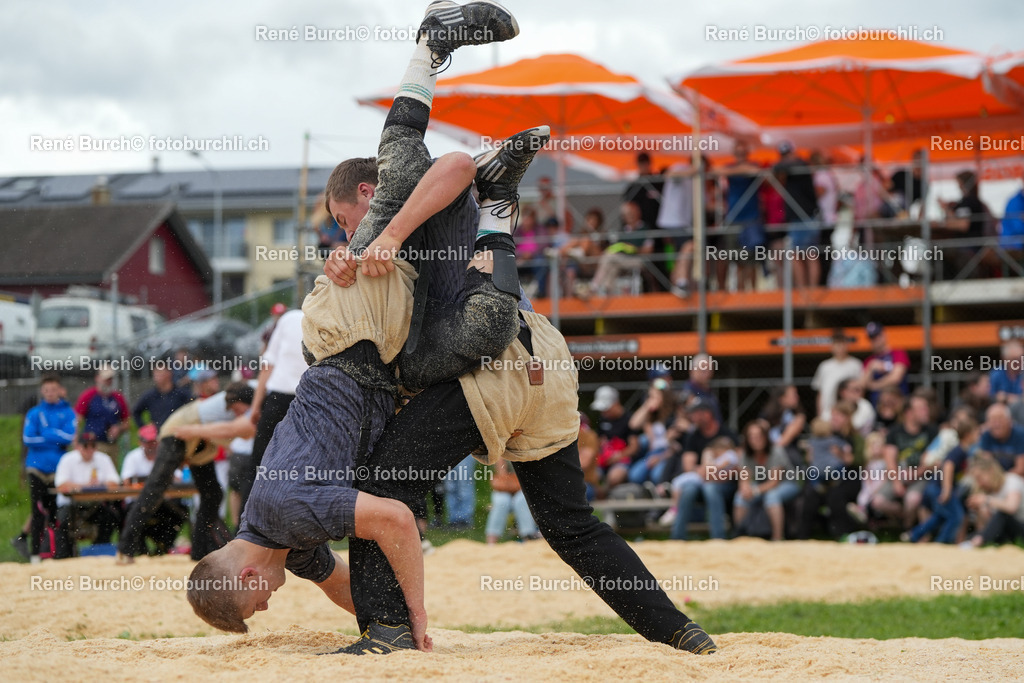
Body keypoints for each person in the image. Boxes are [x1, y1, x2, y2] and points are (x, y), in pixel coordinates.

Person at [118, 382, 256, 563]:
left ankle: (199, 551)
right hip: (178, 431)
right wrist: (193, 434)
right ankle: (125, 548)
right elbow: (240, 432)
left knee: (213, 494)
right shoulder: (247, 399)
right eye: (237, 410)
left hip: (198, 439)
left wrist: (196, 433)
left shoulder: (251, 398)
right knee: (154, 489)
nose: (238, 413)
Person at [242, 308, 306, 511]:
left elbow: (268, 365)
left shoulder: (288, 319)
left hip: (279, 399)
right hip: (309, 400)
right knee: (300, 468)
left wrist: (255, 407)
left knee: (259, 465)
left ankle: (246, 527)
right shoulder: (324, 318)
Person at [22, 374, 76, 563]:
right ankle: (35, 553)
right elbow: (28, 439)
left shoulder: (68, 412)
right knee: (37, 512)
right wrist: (54, 438)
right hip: (36, 468)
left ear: (60, 390)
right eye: (46, 390)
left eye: (54, 390)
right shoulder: (35, 413)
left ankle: (53, 552)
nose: (50, 393)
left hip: (57, 469)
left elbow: (69, 437)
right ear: (42, 392)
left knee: (55, 512)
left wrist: (47, 434)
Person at [667, 399, 738, 540]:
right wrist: (707, 472)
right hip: (702, 479)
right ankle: (677, 537)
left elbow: (738, 465)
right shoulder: (694, 436)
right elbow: (688, 466)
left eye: (695, 413)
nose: (692, 417)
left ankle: (718, 537)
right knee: (688, 489)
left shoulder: (727, 434)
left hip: (724, 482)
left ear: (707, 414)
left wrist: (711, 474)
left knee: (710, 488)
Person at [871, 389, 938, 529]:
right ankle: (901, 520)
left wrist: (917, 473)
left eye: (926, 408)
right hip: (899, 473)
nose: (926, 411)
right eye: (921, 409)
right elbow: (890, 460)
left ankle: (908, 531)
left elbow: (937, 461)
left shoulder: (932, 432)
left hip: (921, 476)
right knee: (878, 502)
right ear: (909, 413)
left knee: (912, 499)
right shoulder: (895, 432)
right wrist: (896, 482)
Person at [905, 415, 977, 544]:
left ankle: (914, 535)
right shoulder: (959, 450)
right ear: (968, 434)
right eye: (976, 432)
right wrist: (947, 490)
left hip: (936, 486)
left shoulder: (965, 451)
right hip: (939, 487)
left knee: (940, 516)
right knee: (956, 516)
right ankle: (942, 542)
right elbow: (948, 466)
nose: (978, 436)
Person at [120, 424, 187, 555]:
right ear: (141, 442)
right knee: (134, 514)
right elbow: (126, 482)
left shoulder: (165, 455)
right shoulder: (133, 457)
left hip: (161, 502)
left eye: (153, 442)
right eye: (148, 442)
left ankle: (163, 548)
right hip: (138, 501)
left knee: (179, 513)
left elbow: (178, 480)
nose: (151, 445)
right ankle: (140, 550)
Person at [53, 432, 122, 559]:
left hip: (95, 504)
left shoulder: (103, 459)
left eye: (93, 446)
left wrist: (98, 484)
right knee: (64, 522)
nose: (89, 450)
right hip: (71, 505)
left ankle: (99, 552)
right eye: (86, 446)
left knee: (110, 517)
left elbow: (115, 483)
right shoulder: (67, 460)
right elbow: (61, 485)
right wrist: (85, 486)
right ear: (78, 446)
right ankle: (64, 557)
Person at [733, 422, 801, 541]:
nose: (756, 440)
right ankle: (740, 536)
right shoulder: (745, 454)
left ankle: (777, 538)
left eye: (759, 436)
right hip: (762, 485)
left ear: (765, 437)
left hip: (787, 483)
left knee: (772, 496)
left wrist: (753, 491)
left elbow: (774, 481)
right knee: (740, 496)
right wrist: (745, 489)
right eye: (752, 437)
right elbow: (744, 478)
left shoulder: (776, 451)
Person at [773, 141, 820, 289]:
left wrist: (783, 163)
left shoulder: (800, 165)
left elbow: (778, 167)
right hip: (801, 216)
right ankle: (806, 291)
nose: (786, 158)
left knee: (803, 255)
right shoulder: (795, 168)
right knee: (803, 255)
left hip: (805, 216)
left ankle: (807, 292)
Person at [587, 200, 655, 296]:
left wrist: (633, 249)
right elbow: (616, 246)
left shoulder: (645, 229)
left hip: (638, 260)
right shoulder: (622, 231)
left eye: (631, 214)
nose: (629, 217)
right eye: (626, 215)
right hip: (622, 259)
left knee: (609, 258)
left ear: (638, 213)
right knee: (611, 264)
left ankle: (594, 286)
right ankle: (606, 293)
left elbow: (648, 251)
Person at [961, 452, 1024, 547]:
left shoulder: (1012, 481)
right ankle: (976, 542)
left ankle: (978, 542)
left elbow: (1011, 507)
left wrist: (987, 500)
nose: (979, 483)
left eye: (980, 478)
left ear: (991, 471)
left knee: (1003, 514)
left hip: (1020, 527)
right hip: (1006, 533)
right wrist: (980, 509)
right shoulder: (989, 492)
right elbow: (986, 527)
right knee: (971, 537)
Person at [626, 379, 677, 485]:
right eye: (650, 396)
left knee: (657, 475)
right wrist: (647, 406)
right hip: (652, 453)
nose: (651, 399)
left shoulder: (673, 417)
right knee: (634, 476)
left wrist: (659, 458)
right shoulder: (651, 416)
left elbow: (675, 448)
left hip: (667, 454)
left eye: (654, 396)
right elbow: (633, 424)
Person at [75, 366, 130, 460]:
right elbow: (77, 420)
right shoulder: (88, 396)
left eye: (110, 379)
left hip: (112, 444)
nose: (108, 382)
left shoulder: (118, 398)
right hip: (92, 445)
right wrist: (76, 442)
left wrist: (118, 429)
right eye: (105, 379)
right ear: (97, 378)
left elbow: (127, 423)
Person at [485, 458, 539, 544]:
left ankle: (528, 538)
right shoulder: (503, 450)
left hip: (525, 487)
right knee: (501, 501)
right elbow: (502, 475)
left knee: (521, 500)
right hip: (508, 486)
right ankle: (491, 542)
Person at [812, 330, 863, 418]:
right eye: (836, 343)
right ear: (832, 346)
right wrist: (820, 414)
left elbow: (860, 390)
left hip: (849, 413)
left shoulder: (856, 365)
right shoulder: (824, 366)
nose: (839, 347)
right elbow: (820, 393)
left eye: (842, 343)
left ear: (847, 345)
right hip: (828, 412)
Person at [861, 322, 910, 406]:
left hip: (899, 403)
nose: (875, 341)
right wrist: (870, 369)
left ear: (884, 335)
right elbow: (863, 384)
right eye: (872, 338)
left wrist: (874, 386)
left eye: (878, 336)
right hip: (876, 404)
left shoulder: (898, 353)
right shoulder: (869, 361)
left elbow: (896, 378)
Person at [132, 366, 194, 431]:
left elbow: (193, 409)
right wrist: (145, 428)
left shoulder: (181, 394)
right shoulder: (150, 395)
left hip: (176, 434)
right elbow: (136, 412)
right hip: (157, 437)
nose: (157, 376)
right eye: (155, 373)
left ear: (169, 373)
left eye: (160, 372)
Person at [978, 402, 1024, 474]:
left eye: (1000, 419)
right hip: (995, 476)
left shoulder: (1020, 434)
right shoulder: (986, 435)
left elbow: (1021, 469)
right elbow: (986, 463)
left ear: (1009, 420)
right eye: (993, 420)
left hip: (1015, 476)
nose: (997, 424)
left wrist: (1003, 478)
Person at [989, 340, 1023, 405]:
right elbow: (991, 397)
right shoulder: (996, 373)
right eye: (1014, 359)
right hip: (1002, 409)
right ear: (1004, 359)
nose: (1019, 362)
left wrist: (1006, 397)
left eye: (1021, 358)